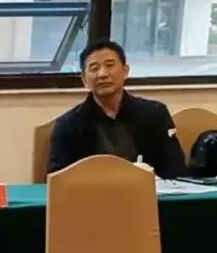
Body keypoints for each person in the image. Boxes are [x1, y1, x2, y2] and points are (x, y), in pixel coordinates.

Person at [47, 39, 185, 178]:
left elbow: (176, 168)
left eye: (109, 65)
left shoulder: (155, 114)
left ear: (125, 71)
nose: (102, 74)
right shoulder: (68, 125)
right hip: (93, 191)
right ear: (84, 80)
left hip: (148, 190)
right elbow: (57, 178)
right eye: (94, 68)